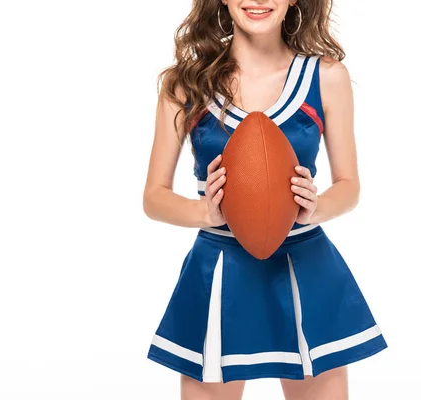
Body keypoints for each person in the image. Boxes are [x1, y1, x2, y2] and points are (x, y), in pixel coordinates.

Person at [142, 0, 388, 398]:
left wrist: (315, 207)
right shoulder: (186, 82)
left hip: (305, 266)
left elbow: (349, 185)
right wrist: (203, 211)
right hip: (219, 269)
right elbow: (154, 197)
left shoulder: (326, 76)